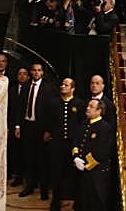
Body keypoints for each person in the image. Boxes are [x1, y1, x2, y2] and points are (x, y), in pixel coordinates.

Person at [18, 62, 55, 199]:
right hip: (27, 126)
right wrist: (18, 126)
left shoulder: (48, 89)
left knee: (42, 160)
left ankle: (44, 190)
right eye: (34, 70)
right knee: (28, 158)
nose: (36, 73)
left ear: (42, 73)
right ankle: (29, 186)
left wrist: (48, 130)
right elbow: (20, 107)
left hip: (41, 128)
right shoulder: (26, 86)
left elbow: (51, 112)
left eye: (39, 70)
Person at [48, 77, 85, 211]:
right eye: (62, 84)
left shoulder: (79, 104)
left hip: (72, 145)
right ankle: (56, 202)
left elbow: (82, 125)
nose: (63, 86)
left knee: (74, 174)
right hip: (57, 144)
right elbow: (49, 121)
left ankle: (77, 202)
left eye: (66, 85)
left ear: (72, 88)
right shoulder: (54, 103)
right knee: (56, 173)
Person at [73, 97, 116, 211]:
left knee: (94, 204)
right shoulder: (83, 124)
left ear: (99, 111)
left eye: (91, 107)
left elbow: (102, 152)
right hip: (81, 172)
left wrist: (86, 165)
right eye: (88, 106)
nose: (87, 108)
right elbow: (76, 142)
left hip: (96, 174)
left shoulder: (105, 128)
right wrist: (76, 158)